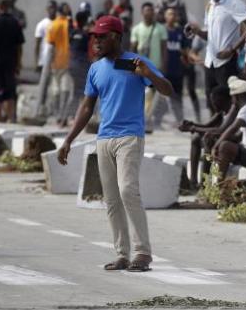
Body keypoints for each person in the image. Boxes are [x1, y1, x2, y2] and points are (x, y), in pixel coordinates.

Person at [58, 15, 172, 272]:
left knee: (128, 190)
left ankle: (142, 254)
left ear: (117, 37)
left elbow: (168, 90)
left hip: (130, 137)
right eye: (94, 36)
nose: (96, 41)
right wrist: (68, 139)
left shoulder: (135, 63)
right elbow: (87, 106)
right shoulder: (96, 68)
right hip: (104, 138)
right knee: (111, 200)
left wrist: (149, 74)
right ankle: (122, 254)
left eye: (102, 36)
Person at [186, 0, 246, 114]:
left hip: (227, 62)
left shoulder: (234, 3)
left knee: (228, 101)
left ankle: (226, 134)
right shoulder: (210, 5)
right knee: (211, 101)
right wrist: (196, 31)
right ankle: (212, 133)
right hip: (210, 62)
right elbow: (210, 35)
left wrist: (232, 49)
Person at [179, 86, 233, 188]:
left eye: (216, 101)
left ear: (225, 100)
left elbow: (219, 130)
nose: (213, 104)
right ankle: (193, 181)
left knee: (207, 140)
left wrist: (193, 128)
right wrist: (191, 124)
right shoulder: (221, 113)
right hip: (220, 140)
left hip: (229, 143)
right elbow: (207, 126)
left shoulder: (232, 113)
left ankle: (205, 183)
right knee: (195, 139)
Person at [131, 2, 169, 128]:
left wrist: (163, 65)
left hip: (155, 68)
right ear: (142, 13)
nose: (149, 13)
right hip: (140, 69)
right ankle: (143, 119)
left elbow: (164, 48)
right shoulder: (136, 29)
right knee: (142, 94)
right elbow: (133, 49)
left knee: (153, 96)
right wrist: (131, 67)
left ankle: (147, 120)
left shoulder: (161, 29)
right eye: (147, 10)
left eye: (151, 10)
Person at [158, 6, 190, 126]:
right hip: (164, 70)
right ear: (165, 16)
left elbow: (185, 50)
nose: (172, 16)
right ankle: (158, 120)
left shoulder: (180, 32)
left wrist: (186, 58)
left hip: (177, 70)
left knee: (178, 96)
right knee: (162, 97)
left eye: (174, 14)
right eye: (169, 14)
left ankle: (180, 120)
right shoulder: (161, 31)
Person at [62, 10, 92, 127]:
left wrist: (70, 21)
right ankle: (73, 119)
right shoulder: (86, 35)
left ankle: (66, 118)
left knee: (75, 93)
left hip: (71, 65)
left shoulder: (72, 33)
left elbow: (70, 32)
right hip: (81, 66)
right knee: (80, 94)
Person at [46, 1, 73, 124]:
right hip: (67, 62)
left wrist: (50, 62)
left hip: (55, 62)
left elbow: (50, 45)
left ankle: (58, 115)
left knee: (56, 90)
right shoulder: (70, 24)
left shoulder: (53, 24)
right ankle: (63, 115)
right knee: (65, 90)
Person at [34, 0, 58, 117]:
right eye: (50, 8)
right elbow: (37, 44)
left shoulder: (60, 23)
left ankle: (53, 111)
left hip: (58, 61)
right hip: (44, 59)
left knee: (56, 87)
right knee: (43, 87)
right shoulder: (42, 24)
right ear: (47, 9)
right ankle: (40, 110)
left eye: (54, 8)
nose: (52, 10)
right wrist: (37, 61)